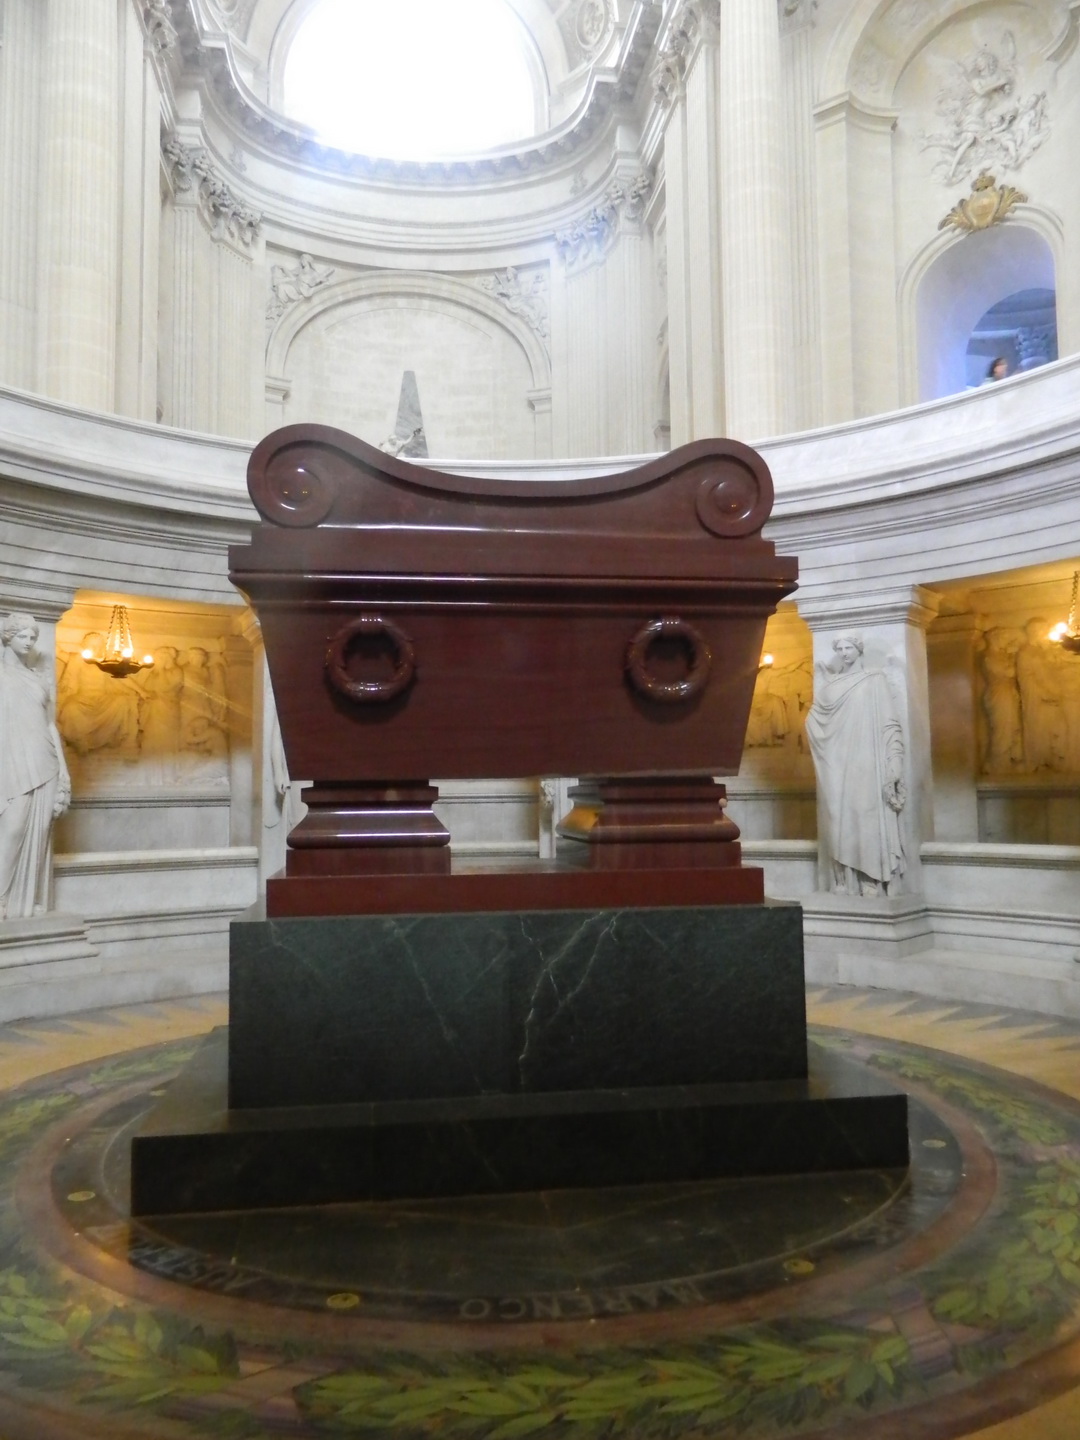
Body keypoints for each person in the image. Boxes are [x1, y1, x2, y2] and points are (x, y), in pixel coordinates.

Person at [805, 635, 905, 897]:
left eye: (848, 647)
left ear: (859, 650)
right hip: (836, 762)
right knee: (838, 817)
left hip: (867, 760)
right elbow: (816, 719)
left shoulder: (874, 680)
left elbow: (890, 723)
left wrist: (894, 759)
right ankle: (844, 878)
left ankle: (870, 878)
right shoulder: (832, 684)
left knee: (866, 814)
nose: (844, 653)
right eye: (839, 649)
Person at [0, 614, 71, 919]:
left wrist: (64, 769)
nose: (29, 642)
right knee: (13, 828)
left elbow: (50, 725)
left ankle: (26, 901)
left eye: (32, 637)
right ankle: (2, 897)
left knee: (41, 831)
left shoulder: (38, 678)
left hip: (45, 758)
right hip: (12, 757)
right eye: (23, 636)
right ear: (8, 637)